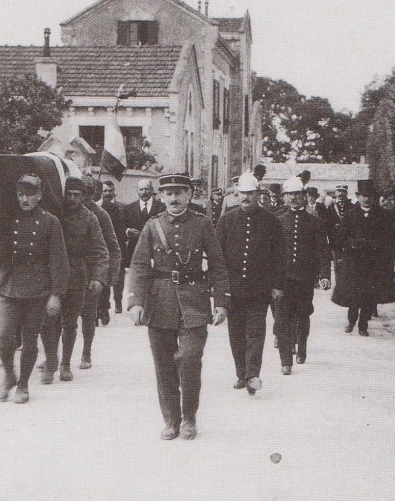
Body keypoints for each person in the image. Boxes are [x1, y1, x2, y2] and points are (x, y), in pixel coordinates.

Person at [126, 173, 230, 440]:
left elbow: (218, 264)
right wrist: (135, 301)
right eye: (168, 193)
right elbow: (138, 265)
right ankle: (171, 420)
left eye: (179, 193)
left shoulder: (203, 224)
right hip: (159, 301)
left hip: (194, 301)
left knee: (190, 358)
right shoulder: (152, 226)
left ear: (189, 195)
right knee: (163, 364)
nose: (174, 198)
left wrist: (221, 303)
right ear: (161, 196)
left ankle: (190, 416)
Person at [0, 174, 69, 404]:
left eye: (30, 194)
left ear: (40, 196)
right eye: (20, 194)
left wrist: (55, 294)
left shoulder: (50, 222)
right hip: (8, 284)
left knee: (30, 339)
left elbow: (58, 260)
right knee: (3, 336)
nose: (25, 199)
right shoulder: (7, 218)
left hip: (37, 288)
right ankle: (8, 376)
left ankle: (23, 384)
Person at [215, 172, 285, 393]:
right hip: (234, 290)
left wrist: (277, 285)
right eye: (242, 193)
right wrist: (220, 289)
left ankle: (252, 374)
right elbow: (218, 257)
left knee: (256, 332)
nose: (245, 197)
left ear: (258, 194)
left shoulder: (271, 221)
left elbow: (279, 255)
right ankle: (240, 373)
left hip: (259, 289)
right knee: (236, 333)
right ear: (237, 194)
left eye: (250, 193)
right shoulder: (227, 220)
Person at [40, 177, 108, 383]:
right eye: (68, 194)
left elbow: (100, 249)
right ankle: (51, 361)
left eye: (76, 195)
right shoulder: (55, 213)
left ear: (84, 196)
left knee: (69, 322)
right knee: (48, 321)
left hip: (76, 274)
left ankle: (65, 365)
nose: (72, 198)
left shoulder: (90, 219)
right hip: (52, 273)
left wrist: (98, 277)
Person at [273, 176, 332, 369]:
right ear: (284, 197)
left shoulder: (314, 222)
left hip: (306, 277)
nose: (293, 198)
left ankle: (302, 345)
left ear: (304, 196)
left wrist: (324, 275)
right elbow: (270, 252)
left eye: (297, 194)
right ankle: (285, 361)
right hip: (283, 278)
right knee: (282, 318)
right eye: (289, 194)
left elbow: (323, 250)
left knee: (303, 314)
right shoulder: (278, 221)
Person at [332, 179, 395, 335]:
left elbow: (391, 237)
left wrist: (382, 249)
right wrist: (352, 243)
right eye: (363, 195)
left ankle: (363, 325)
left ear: (374, 196)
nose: (366, 198)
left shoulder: (383, 215)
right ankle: (351, 320)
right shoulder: (350, 215)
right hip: (354, 263)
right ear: (357, 196)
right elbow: (340, 238)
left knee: (369, 296)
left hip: (374, 262)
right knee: (354, 294)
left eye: (369, 195)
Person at [80, 175, 120, 360]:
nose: (85, 196)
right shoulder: (65, 212)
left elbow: (112, 246)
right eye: (83, 191)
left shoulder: (101, 215)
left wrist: (110, 274)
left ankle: (86, 351)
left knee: (89, 315)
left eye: (89, 192)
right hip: (71, 270)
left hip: (92, 271)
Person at [98, 179, 127, 315]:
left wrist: (120, 252)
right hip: (100, 248)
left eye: (110, 191)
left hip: (113, 247)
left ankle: (118, 302)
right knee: (103, 278)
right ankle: (104, 308)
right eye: (105, 191)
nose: (107, 193)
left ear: (114, 192)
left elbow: (120, 232)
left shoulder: (117, 208)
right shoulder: (94, 208)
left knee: (116, 277)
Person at [122, 178, 165, 270]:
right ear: (137, 191)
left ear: (152, 190)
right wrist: (128, 231)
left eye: (147, 189)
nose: (144, 192)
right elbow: (121, 226)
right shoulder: (128, 208)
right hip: (134, 250)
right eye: (141, 189)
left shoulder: (161, 207)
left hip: (156, 250)